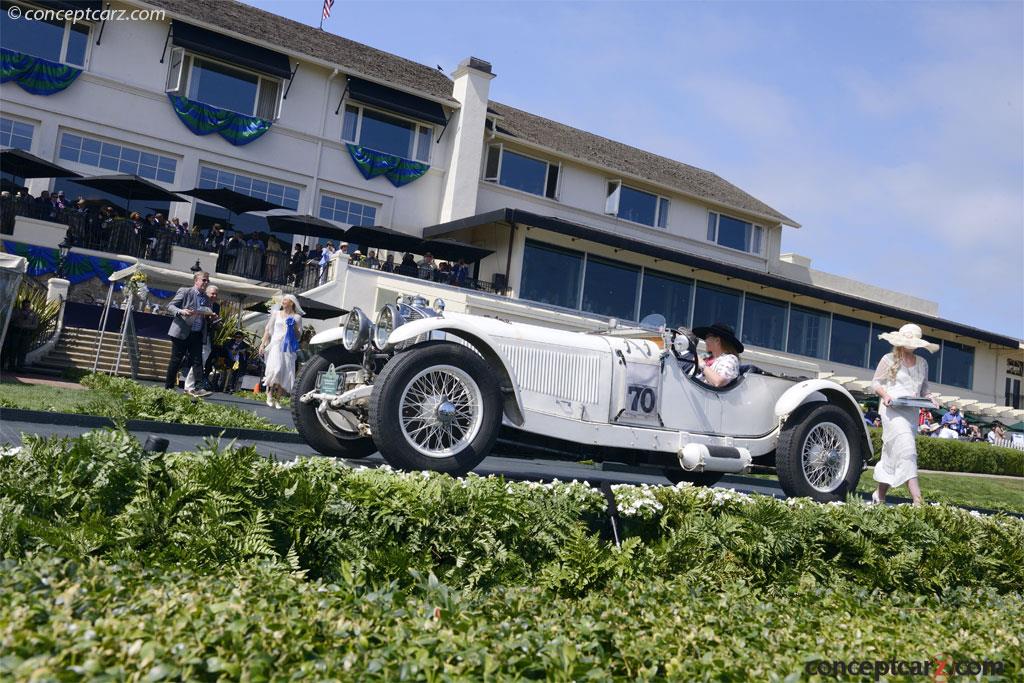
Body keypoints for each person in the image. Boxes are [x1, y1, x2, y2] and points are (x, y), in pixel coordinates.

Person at [870, 323, 940, 506]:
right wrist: (885, 395)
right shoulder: (888, 359)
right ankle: (918, 499)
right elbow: (875, 383)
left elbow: (924, 389)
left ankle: (879, 494)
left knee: (893, 453)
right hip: (892, 411)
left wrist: (931, 399)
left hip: (911, 413)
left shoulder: (923, 363)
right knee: (908, 449)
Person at [164, 271, 215, 397]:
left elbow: (205, 315)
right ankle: (169, 387)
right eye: (204, 280)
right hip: (181, 331)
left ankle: (198, 388)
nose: (206, 282)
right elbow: (170, 306)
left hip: (197, 333)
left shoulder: (207, 299)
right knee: (176, 360)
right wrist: (181, 311)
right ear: (196, 281)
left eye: (207, 280)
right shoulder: (185, 291)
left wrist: (211, 317)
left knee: (197, 361)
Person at [260, 294, 304, 409]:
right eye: (283, 300)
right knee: (276, 369)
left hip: (288, 347)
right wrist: (262, 344)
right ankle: (269, 394)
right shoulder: (276, 314)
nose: (283, 301)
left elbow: (299, 336)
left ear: (292, 303)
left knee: (284, 372)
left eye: (285, 300)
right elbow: (268, 330)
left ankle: (278, 399)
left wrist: (293, 326)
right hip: (276, 345)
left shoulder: (297, 317)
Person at [184, 285, 220, 394]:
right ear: (206, 293)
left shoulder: (217, 306)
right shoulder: (202, 302)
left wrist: (217, 322)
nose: (214, 296)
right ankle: (190, 386)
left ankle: (190, 385)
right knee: (199, 362)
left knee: (202, 362)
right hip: (198, 335)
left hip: (209, 337)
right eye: (212, 293)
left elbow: (213, 322)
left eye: (216, 294)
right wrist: (208, 317)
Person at [692, 322, 742, 388]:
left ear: (717, 340)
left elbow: (718, 382)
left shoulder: (730, 359)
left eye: (707, 336)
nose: (705, 340)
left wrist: (702, 364)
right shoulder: (705, 358)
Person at [4, 299, 39, 371]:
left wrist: (26, 326)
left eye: (28, 305)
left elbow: (35, 325)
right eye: (24, 305)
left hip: (26, 334)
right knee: (13, 350)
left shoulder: (33, 314)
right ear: (22, 305)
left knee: (23, 351)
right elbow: (11, 320)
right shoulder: (16, 311)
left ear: (30, 305)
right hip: (16, 333)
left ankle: (20, 367)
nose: (26, 306)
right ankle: (11, 366)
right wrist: (19, 317)